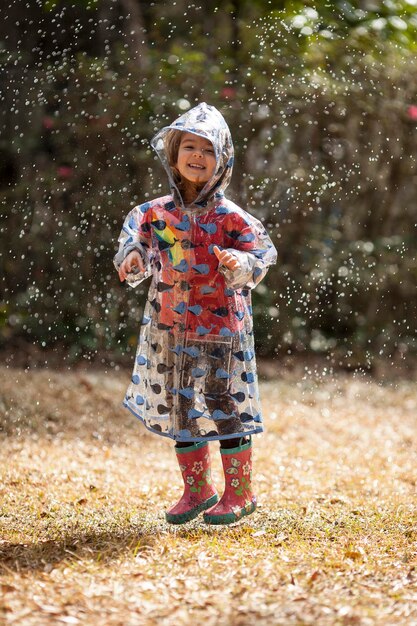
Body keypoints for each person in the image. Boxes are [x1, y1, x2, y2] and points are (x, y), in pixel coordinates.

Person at [114, 102, 277, 525]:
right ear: (174, 154)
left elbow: (260, 252)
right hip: (171, 326)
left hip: (221, 328)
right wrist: (133, 259)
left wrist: (241, 265)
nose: (198, 156)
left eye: (208, 150)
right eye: (190, 147)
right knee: (180, 405)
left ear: (222, 161)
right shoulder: (153, 213)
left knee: (225, 402)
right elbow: (138, 242)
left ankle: (240, 492)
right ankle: (197, 489)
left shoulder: (231, 217)